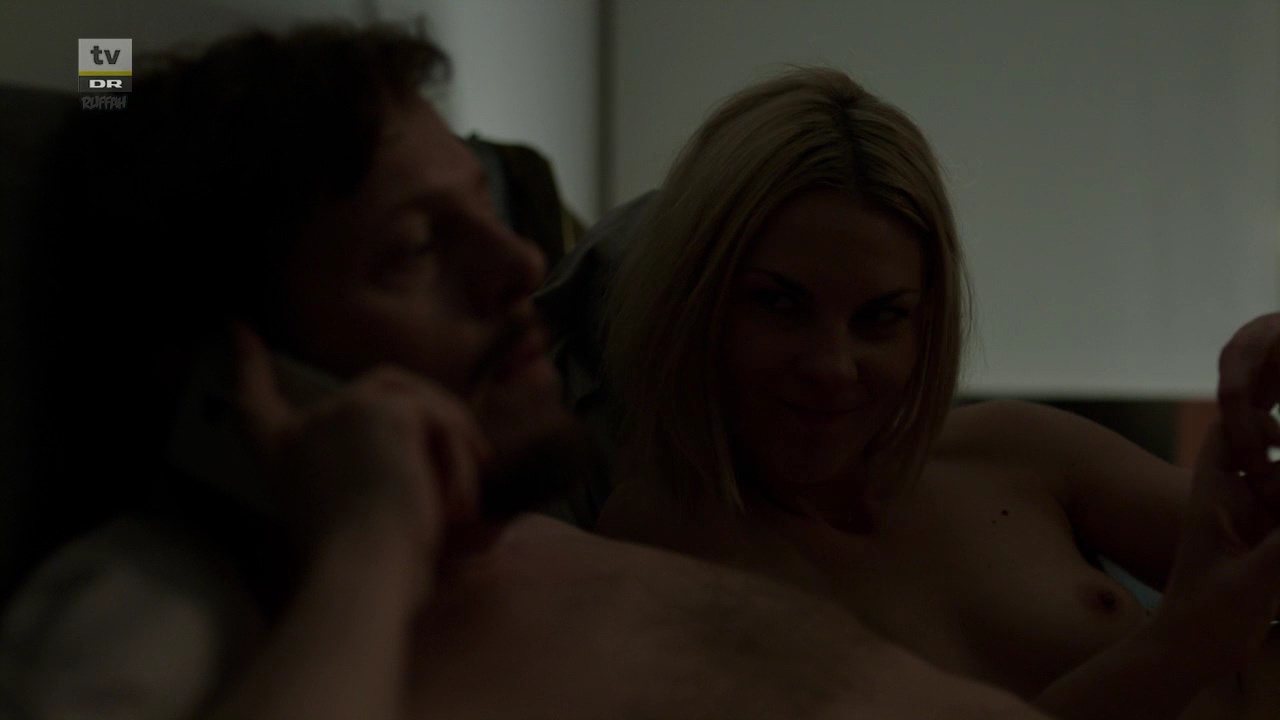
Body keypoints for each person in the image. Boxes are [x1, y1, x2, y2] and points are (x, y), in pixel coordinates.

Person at [0, 25, 1056, 720]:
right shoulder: (158, 617)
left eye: (485, 209)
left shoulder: (528, 547)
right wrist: (369, 542)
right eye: (416, 248)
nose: (517, 264)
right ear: (232, 378)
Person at [596, 67, 1280, 719]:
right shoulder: (659, 545)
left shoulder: (1013, 448)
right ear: (696, 302)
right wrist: (1181, 648)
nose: (833, 367)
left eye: (880, 318)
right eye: (780, 305)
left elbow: (1248, 563)